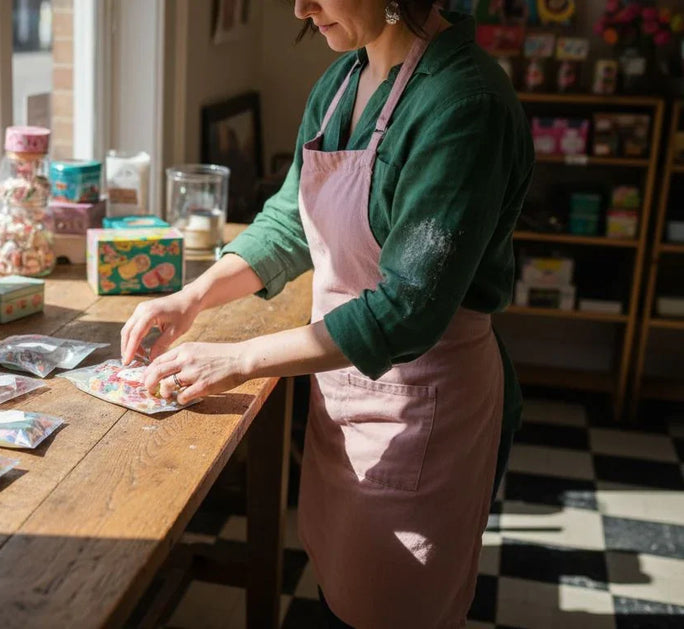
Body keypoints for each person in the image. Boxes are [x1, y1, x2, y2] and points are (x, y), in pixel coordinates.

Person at [120, 1, 533, 626]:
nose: (300, 7)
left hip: (423, 405)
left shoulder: (464, 105)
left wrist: (241, 358)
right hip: (340, 387)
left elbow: (407, 310)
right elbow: (291, 221)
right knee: (344, 587)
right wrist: (192, 297)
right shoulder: (343, 83)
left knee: (396, 606)